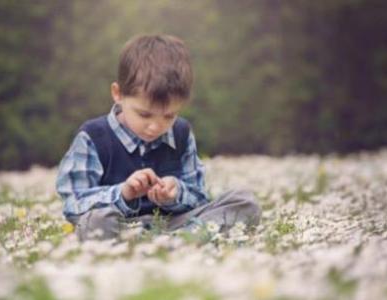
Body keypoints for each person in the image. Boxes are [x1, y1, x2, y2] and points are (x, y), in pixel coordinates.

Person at [56, 34, 261, 240]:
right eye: (144, 114)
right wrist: (124, 193)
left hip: (174, 223)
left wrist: (176, 193)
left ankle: (175, 241)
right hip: (121, 225)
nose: (155, 127)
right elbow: (74, 203)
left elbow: (199, 197)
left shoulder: (181, 133)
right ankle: (181, 241)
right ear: (118, 94)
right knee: (94, 222)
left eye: (169, 115)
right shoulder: (93, 137)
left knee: (244, 202)